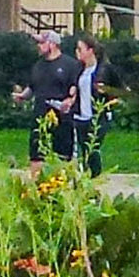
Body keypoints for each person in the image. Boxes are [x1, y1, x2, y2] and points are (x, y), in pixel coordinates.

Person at [14, 30, 76, 166]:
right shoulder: (38, 65)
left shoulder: (70, 65)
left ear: (53, 44)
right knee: (36, 155)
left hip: (61, 118)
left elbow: (76, 89)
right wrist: (22, 96)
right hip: (40, 116)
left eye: (42, 42)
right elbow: (32, 87)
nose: (38, 46)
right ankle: (37, 184)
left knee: (63, 156)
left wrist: (69, 101)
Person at [68, 33, 106, 178]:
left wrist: (105, 93)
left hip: (96, 116)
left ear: (90, 51)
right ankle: (83, 181)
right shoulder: (79, 69)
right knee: (82, 150)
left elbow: (117, 89)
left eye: (80, 49)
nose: (77, 53)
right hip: (80, 115)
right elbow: (76, 86)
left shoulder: (103, 70)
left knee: (93, 148)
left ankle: (94, 179)